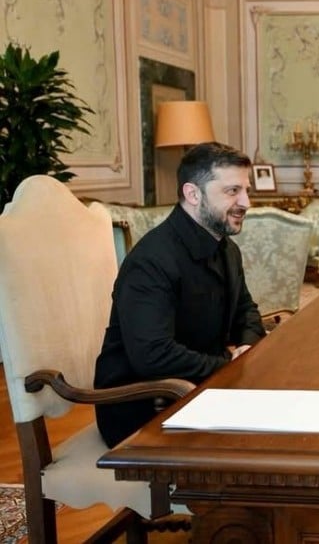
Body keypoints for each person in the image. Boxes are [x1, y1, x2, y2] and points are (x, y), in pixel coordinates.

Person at [94, 142, 266, 447]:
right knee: (268, 443)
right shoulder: (151, 260)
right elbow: (153, 356)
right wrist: (229, 364)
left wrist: (246, 348)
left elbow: (246, 311)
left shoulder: (227, 249)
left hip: (200, 391)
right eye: (232, 191)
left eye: (246, 190)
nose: (246, 202)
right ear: (193, 194)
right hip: (144, 409)